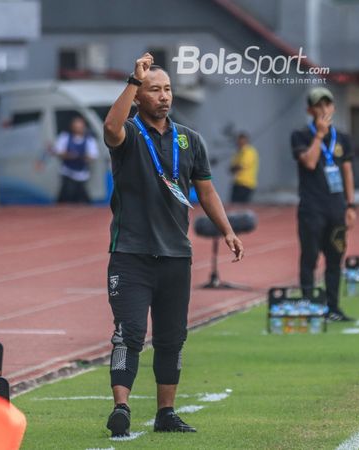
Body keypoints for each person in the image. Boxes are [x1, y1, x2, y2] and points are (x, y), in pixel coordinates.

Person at [101, 53, 244, 437]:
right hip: (130, 254)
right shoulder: (129, 134)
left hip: (175, 256)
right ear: (139, 96)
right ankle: (122, 406)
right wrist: (133, 81)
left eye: (167, 89)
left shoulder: (189, 139)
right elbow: (110, 126)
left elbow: (207, 190)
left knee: (171, 337)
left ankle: (166, 413)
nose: (163, 96)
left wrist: (227, 229)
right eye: (154, 90)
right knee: (127, 333)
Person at [290, 87, 357, 322]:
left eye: (327, 105)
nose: (323, 109)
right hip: (311, 208)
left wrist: (351, 206)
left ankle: (333, 308)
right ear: (310, 110)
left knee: (335, 258)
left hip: (336, 209)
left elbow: (347, 172)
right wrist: (318, 136)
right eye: (318, 105)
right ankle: (309, 306)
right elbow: (309, 162)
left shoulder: (343, 139)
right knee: (309, 257)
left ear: (333, 108)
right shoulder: (300, 136)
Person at [53, 116, 99, 203]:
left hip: (82, 174)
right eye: (76, 126)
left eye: (80, 126)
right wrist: (69, 155)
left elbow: (93, 156)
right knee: (66, 196)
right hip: (67, 173)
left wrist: (81, 157)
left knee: (82, 199)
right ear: (72, 127)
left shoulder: (89, 140)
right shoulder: (65, 137)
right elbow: (58, 152)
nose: (78, 129)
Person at [229, 132, 259, 203]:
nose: (239, 142)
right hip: (237, 183)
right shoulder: (238, 152)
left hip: (246, 184)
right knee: (234, 205)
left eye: (241, 140)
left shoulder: (249, 151)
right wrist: (234, 167)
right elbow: (232, 168)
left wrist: (235, 167)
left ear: (246, 141)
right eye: (239, 140)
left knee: (241, 206)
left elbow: (241, 166)